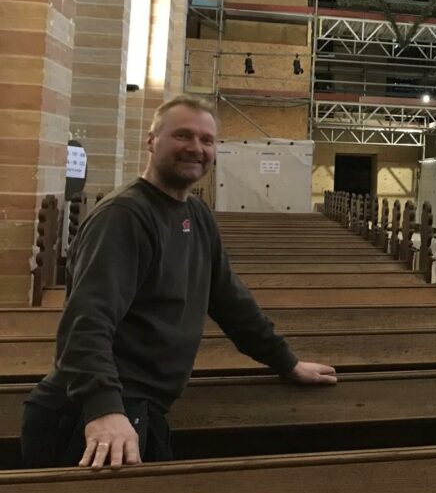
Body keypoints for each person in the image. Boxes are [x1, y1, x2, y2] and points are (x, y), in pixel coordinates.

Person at [21, 96, 338, 470]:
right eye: (183, 135)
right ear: (152, 140)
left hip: (135, 404)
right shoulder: (124, 216)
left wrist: (287, 362)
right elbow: (86, 322)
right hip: (90, 416)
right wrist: (103, 408)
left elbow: (229, 300)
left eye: (207, 140)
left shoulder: (196, 214)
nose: (196, 148)